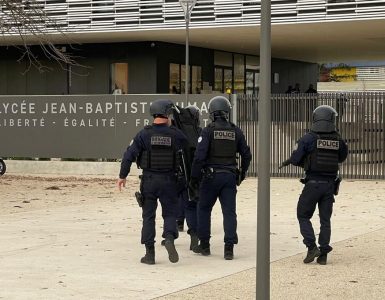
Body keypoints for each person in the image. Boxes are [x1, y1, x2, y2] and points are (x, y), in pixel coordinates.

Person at [117, 99, 187, 265]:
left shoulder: (144, 134)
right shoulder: (175, 134)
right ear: (168, 114)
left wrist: (122, 176)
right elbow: (188, 147)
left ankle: (150, 254)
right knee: (169, 213)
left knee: (148, 216)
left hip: (149, 180)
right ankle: (169, 238)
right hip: (169, 180)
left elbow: (129, 155)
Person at [281, 105, 348, 265]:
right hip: (330, 185)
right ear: (332, 119)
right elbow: (342, 157)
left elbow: (296, 159)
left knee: (303, 215)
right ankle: (323, 253)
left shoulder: (308, 138)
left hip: (313, 185)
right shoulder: (338, 139)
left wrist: (305, 160)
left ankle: (311, 247)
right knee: (325, 220)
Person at [189, 96, 252, 260]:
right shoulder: (235, 130)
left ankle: (204, 245)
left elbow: (199, 156)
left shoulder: (208, 130)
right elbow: (246, 155)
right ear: (227, 111)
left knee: (203, 209)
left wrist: (194, 178)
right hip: (229, 176)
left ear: (211, 112)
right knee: (229, 213)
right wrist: (242, 173)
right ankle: (229, 249)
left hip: (210, 177)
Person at [174, 105, 202, 251]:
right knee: (194, 205)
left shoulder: (177, 132)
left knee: (172, 203)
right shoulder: (199, 132)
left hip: (179, 173)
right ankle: (195, 235)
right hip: (196, 175)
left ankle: (170, 234)